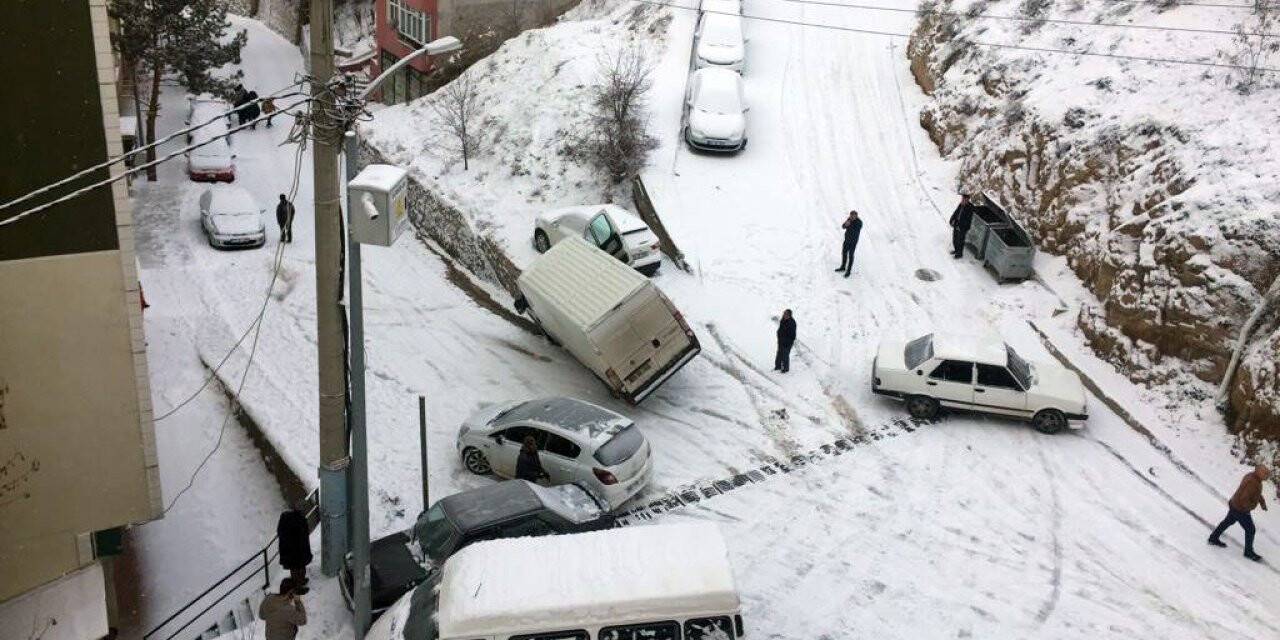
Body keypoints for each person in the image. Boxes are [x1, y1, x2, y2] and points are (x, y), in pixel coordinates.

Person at [1208, 464, 1270, 562]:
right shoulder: (1252, 482)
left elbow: (1256, 493)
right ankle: (1248, 552)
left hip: (1235, 504)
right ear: (1258, 471)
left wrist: (1262, 502)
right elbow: (1244, 498)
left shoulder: (1254, 478)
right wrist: (1247, 509)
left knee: (1227, 522)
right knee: (1250, 529)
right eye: (1265, 473)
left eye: (1267, 473)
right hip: (1240, 508)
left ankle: (1213, 538)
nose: (1267, 475)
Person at [276, 506, 311, 594]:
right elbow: (303, 533)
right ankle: (298, 587)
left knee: (295, 567)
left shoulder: (285, 519)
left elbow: (280, 532)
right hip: (297, 549)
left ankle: (299, 581)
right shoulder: (298, 519)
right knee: (298, 567)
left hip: (290, 549)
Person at [834, 210, 863, 278]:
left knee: (851, 255)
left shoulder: (859, 222)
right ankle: (843, 267)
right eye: (851, 215)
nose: (852, 217)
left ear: (856, 216)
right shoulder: (849, 220)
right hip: (846, 240)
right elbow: (843, 226)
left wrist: (849, 224)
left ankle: (848, 271)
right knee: (844, 253)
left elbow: (855, 231)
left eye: (853, 216)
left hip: (853, 242)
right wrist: (845, 224)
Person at [949, 193, 976, 258]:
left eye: (964, 199)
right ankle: (956, 250)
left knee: (960, 240)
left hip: (963, 227)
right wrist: (952, 219)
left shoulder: (970, 207)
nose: (963, 200)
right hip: (956, 224)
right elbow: (956, 212)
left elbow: (968, 219)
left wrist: (960, 225)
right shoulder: (961, 205)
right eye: (962, 199)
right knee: (955, 239)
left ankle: (959, 254)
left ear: (967, 200)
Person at [774, 309, 796, 373]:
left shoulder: (792, 323)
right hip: (781, 341)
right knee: (779, 354)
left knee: (785, 356)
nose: (784, 315)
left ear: (789, 315)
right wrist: (778, 334)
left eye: (786, 314)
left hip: (787, 343)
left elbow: (793, 336)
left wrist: (787, 342)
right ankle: (777, 367)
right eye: (784, 314)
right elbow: (780, 329)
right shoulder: (782, 320)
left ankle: (785, 370)